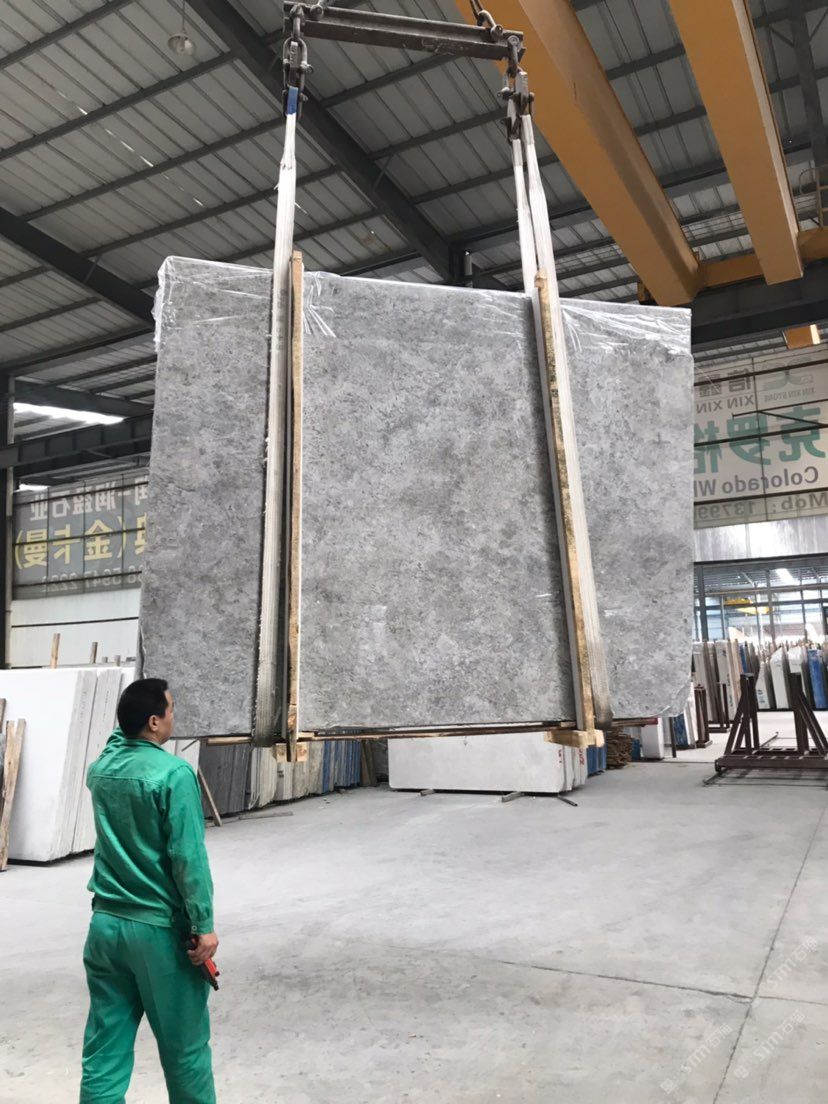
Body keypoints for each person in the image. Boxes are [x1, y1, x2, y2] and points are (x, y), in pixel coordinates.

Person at [79, 677, 218, 1104]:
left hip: (105, 928)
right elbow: (188, 858)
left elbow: (118, 738)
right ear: (154, 722)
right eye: (170, 710)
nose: (175, 717)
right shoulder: (174, 775)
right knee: (186, 1052)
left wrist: (130, 715)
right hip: (157, 934)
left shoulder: (101, 769)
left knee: (105, 1050)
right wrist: (204, 925)